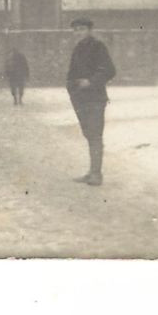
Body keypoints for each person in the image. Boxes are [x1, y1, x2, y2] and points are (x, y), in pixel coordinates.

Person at [66, 17, 117, 187]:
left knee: (95, 135)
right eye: (76, 30)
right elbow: (72, 73)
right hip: (80, 98)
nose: (78, 32)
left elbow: (109, 70)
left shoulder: (97, 47)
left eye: (82, 29)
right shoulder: (78, 48)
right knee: (89, 134)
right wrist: (72, 89)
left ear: (89, 30)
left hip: (95, 98)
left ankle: (96, 174)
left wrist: (91, 81)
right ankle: (92, 171)